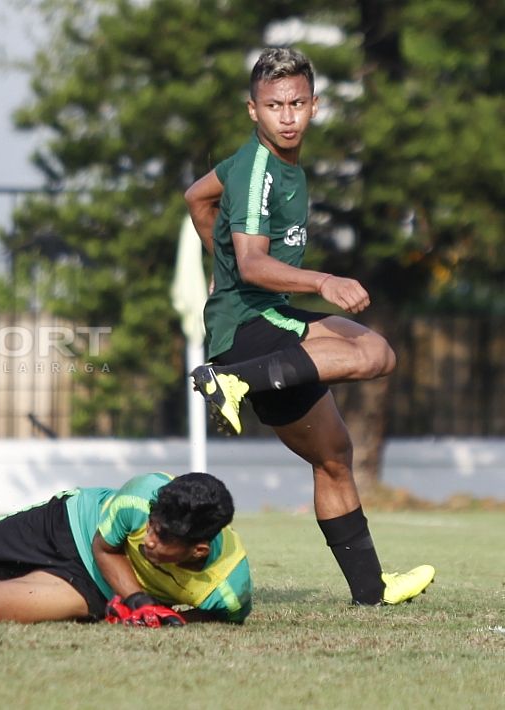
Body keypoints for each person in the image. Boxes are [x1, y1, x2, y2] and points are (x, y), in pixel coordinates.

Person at [183, 47, 434, 606]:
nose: (288, 115)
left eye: (297, 103)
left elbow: (197, 197)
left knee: (334, 456)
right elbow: (252, 263)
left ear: (315, 106)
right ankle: (237, 380)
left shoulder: (260, 164)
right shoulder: (258, 172)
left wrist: (217, 269)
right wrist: (320, 282)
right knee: (375, 355)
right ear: (254, 110)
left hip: (261, 321)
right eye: (275, 105)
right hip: (252, 327)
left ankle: (371, 591)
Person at [0, 472, 251, 625]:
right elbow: (105, 549)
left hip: (95, 587)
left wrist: (172, 620)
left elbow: (221, 615)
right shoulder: (141, 495)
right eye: (152, 526)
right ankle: (9, 563)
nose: (150, 538)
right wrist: (140, 602)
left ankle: (26, 580)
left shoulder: (229, 586)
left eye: (164, 539)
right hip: (63, 523)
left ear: (198, 550)